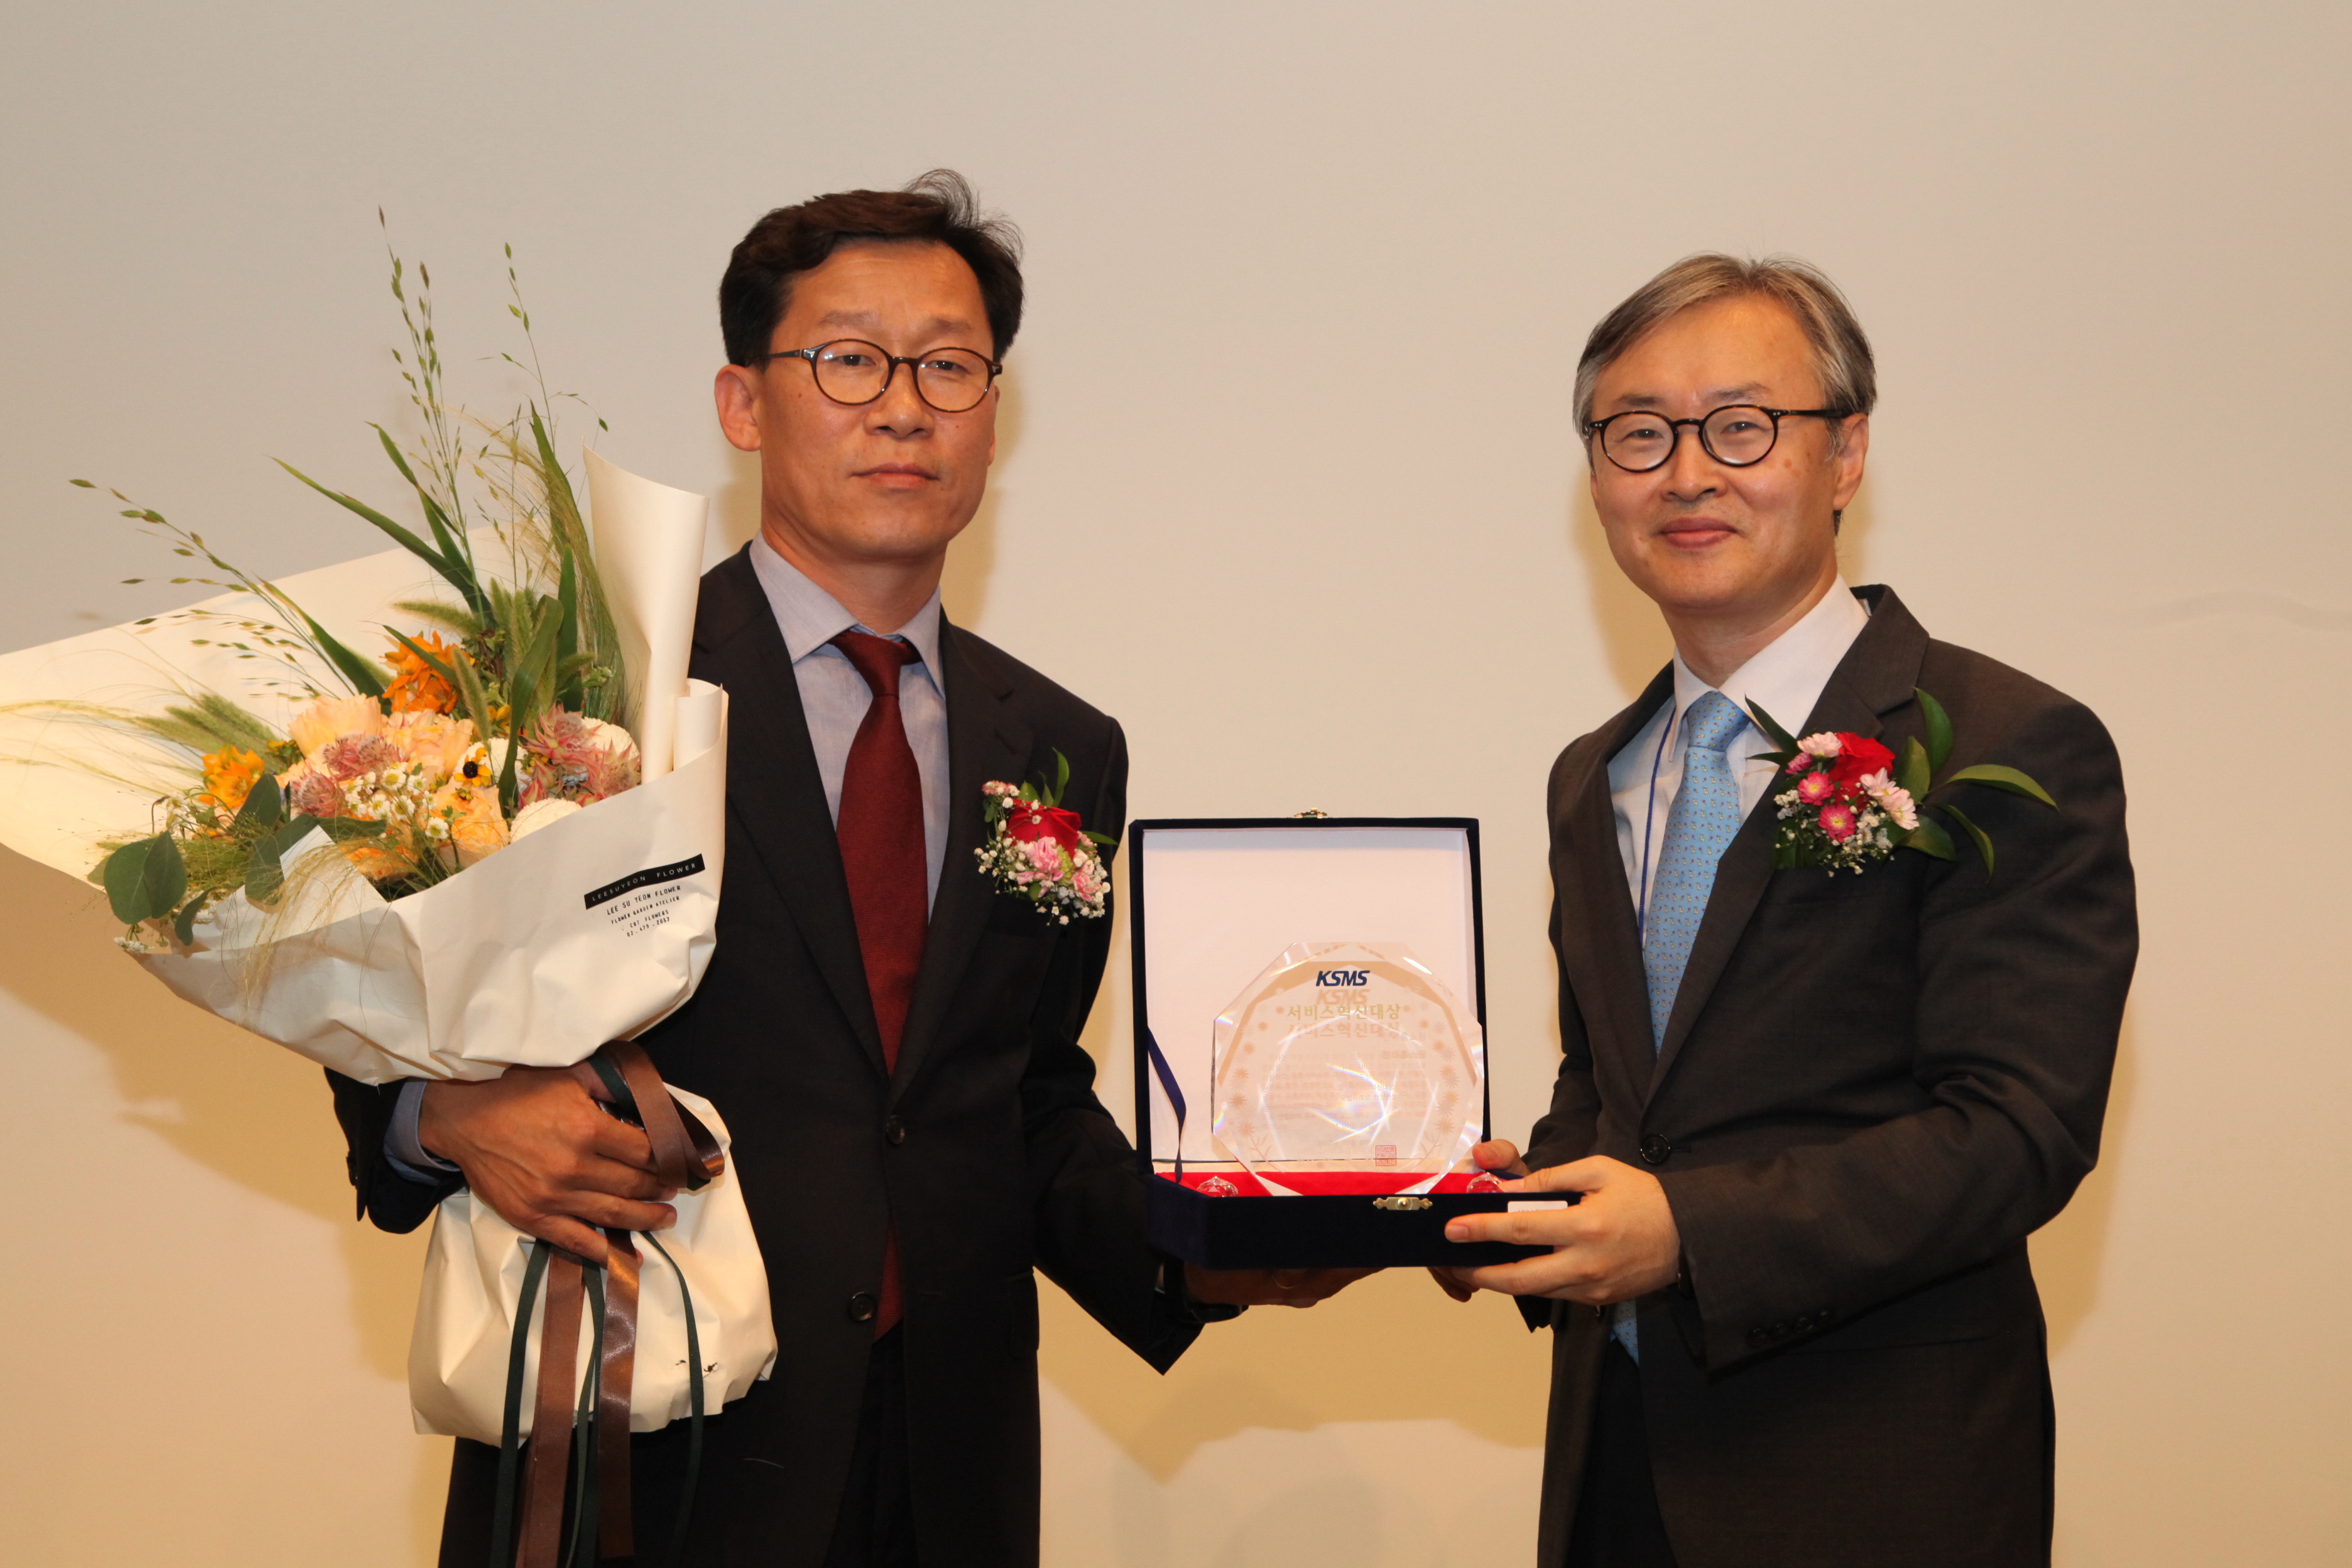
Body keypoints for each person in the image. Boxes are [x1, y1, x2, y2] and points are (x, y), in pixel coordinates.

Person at [327, 170, 1356, 1568]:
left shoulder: (1061, 744)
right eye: (849, 360)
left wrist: (1210, 1247)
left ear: (992, 411)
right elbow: (391, 983)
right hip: (645, 1425)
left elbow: (1018, 1098)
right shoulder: (591, 685)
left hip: (944, 1462)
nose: (903, 407)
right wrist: (440, 1114)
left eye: (949, 366)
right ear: (743, 404)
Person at [1438, 255, 2137, 1567]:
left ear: (1845, 453)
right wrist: (1520, 1206)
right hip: (1614, 1466)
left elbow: (2017, 1129)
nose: (1686, 474)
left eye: (1741, 426)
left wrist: (1686, 1233)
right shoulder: (1594, 773)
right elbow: (1616, 1088)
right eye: (1638, 433)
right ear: (1595, 475)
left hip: (1876, 1480)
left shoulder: (2002, 740)